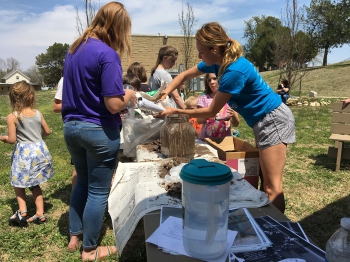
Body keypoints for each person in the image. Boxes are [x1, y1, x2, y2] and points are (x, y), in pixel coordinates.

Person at [157, 22, 296, 213]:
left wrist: (175, 111)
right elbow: (183, 76)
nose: (199, 56)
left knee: (272, 187)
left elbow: (209, 112)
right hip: (263, 120)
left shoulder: (234, 71)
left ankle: (277, 232)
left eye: (202, 51)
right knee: (266, 183)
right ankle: (266, 224)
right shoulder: (217, 62)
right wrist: (163, 95)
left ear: (215, 49)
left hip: (273, 120)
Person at [61, 2, 137, 261]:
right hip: (98, 130)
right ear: (116, 27)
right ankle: (90, 250)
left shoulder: (73, 50)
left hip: (71, 128)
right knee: (97, 190)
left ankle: (75, 236)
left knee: (82, 181)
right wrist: (129, 94)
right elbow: (113, 104)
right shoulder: (107, 54)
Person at [0, 81, 54, 227]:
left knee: (18, 182)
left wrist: (3, 138)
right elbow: (47, 132)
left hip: (24, 155)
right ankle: (40, 214)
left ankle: (22, 211)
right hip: (39, 152)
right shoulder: (38, 113)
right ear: (31, 97)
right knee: (35, 183)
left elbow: (12, 140)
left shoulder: (12, 116)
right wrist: (37, 138)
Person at [197, 73, 239, 141]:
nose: (212, 82)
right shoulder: (203, 98)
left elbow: (236, 124)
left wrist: (233, 115)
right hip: (207, 141)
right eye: (209, 80)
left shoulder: (231, 99)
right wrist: (210, 113)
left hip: (225, 142)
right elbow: (199, 120)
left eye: (215, 79)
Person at [52, 76, 77, 190]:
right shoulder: (66, 79)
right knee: (79, 168)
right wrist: (80, 105)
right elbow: (56, 106)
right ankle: (77, 202)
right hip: (75, 128)